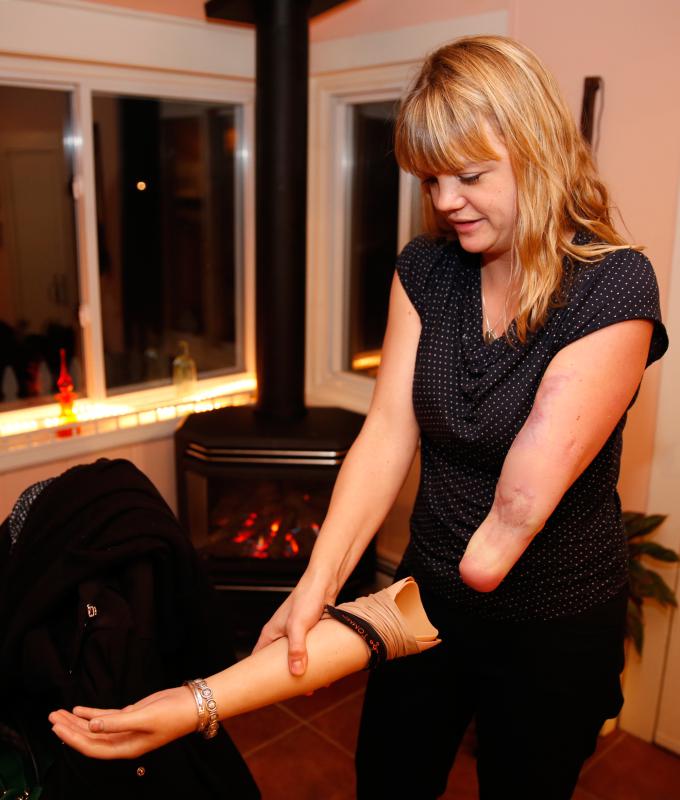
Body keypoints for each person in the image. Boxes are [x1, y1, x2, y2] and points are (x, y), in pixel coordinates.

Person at [251, 35, 668, 799]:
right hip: (424, 592)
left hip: (556, 618)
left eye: (470, 175)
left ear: (536, 153)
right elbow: (386, 434)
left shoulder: (613, 287)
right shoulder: (425, 269)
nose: (445, 200)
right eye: (432, 177)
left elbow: (516, 511)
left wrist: (349, 640)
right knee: (387, 779)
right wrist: (319, 585)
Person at [48, 577, 440, 758]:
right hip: (429, 576)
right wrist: (318, 583)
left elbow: (388, 621)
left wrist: (194, 706)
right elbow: (382, 439)